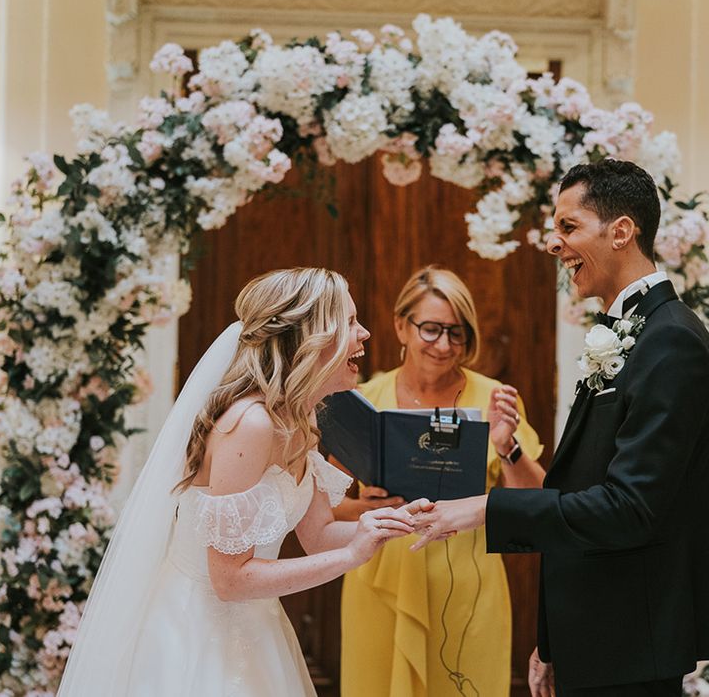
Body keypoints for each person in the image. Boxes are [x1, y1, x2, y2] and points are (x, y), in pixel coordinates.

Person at [412, 160, 709, 697]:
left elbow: (630, 509)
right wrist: (554, 641)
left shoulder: (672, 340)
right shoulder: (627, 333)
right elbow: (579, 489)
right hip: (592, 641)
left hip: (629, 650)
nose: (553, 244)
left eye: (568, 228)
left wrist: (484, 507)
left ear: (622, 231)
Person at [57, 267, 418, 697]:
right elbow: (229, 580)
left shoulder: (301, 420)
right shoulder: (250, 425)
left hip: (255, 625)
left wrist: (389, 524)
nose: (365, 334)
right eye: (350, 322)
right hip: (194, 635)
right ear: (310, 336)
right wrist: (352, 556)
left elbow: (320, 534)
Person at [334, 266, 545, 697]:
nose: (444, 345)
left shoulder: (495, 399)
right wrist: (369, 507)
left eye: (457, 332)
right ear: (400, 326)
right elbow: (326, 509)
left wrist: (507, 447)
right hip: (379, 582)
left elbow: (539, 503)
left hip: (467, 589)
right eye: (431, 329)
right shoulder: (362, 400)